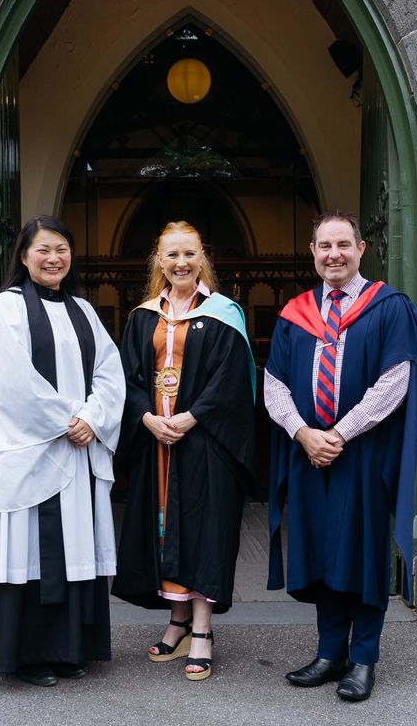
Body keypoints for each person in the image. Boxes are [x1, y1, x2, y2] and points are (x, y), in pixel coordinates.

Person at [0, 215, 126, 687]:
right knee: (27, 551)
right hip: (26, 454)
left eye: (62, 249)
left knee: (72, 550)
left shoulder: (82, 311)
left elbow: (110, 372)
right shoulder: (4, 309)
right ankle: (26, 656)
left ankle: (69, 650)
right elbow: (11, 381)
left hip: (76, 451)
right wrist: (68, 421)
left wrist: (93, 418)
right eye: (43, 249)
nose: (54, 258)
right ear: (24, 257)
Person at [263, 210, 417, 702]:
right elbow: (272, 383)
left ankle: (363, 659)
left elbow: (397, 379)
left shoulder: (388, 307)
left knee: (362, 551)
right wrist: (303, 434)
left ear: (361, 249)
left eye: (342, 245)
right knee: (320, 552)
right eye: (324, 246)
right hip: (309, 454)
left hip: (363, 453)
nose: (333, 254)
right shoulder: (296, 313)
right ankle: (330, 652)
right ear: (313, 252)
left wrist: (338, 433)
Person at [111, 221, 256, 682]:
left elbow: (232, 380)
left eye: (189, 254)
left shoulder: (224, 313)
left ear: (202, 258)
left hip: (205, 441)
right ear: (159, 260)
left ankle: (202, 630)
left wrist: (191, 418)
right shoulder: (143, 316)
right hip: (157, 441)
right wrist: (146, 417)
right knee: (164, 528)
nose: (181, 263)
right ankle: (177, 621)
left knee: (204, 530)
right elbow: (126, 377)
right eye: (172, 254)